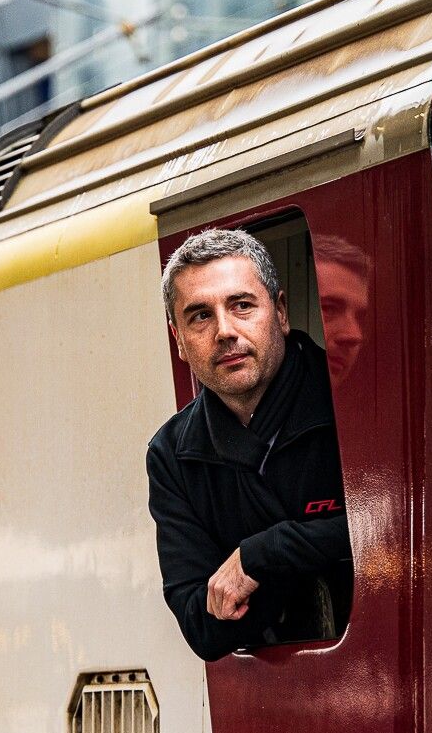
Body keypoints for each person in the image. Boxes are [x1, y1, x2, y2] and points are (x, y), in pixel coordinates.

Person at [146, 228, 353, 661]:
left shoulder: (355, 400)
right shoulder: (170, 455)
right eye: (200, 316)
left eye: (242, 305)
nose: (224, 331)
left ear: (280, 312)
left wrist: (262, 554)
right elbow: (202, 627)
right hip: (276, 693)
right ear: (179, 340)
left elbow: (400, 532)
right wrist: (317, 549)